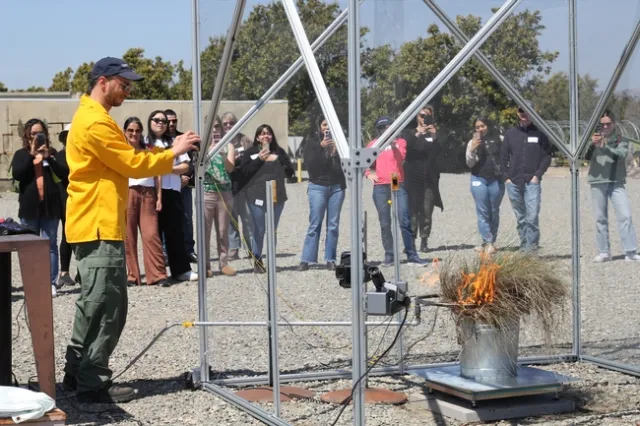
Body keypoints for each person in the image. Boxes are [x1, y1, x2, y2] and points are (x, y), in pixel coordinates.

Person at [62, 57, 200, 404]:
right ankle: (92, 384)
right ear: (104, 81)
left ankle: (76, 373)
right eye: (124, 84)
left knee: (91, 305)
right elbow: (132, 162)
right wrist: (174, 152)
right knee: (109, 306)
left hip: (92, 222)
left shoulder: (93, 117)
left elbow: (127, 159)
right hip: (98, 224)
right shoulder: (96, 122)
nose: (128, 90)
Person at [11, 118, 67, 297]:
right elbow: (18, 174)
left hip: (50, 207)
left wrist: (48, 158)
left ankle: (50, 282)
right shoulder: (21, 154)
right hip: (29, 208)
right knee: (29, 246)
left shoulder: (51, 153)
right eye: (33, 133)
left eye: (40, 133)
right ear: (27, 135)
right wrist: (32, 153)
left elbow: (63, 173)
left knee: (50, 244)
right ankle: (32, 282)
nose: (37, 136)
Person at [365, 116, 428, 266]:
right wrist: (368, 174)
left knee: (404, 219)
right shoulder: (373, 144)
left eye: (389, 127)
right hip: (380, 186)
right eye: (383, 128)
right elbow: (363, 163)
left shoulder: (400, 142)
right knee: (385, 222)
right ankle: (390, 255)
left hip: (396, 182)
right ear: (379, 130)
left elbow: (401, 159)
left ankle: (412, 255)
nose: (387, 130)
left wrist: (393, 146)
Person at [238, 124, 295, 273]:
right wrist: (259, 160)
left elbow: (290, 172)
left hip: (277, 196)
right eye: (262, 134)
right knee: (259, 229)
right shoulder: (250, 152)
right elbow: (244, 172)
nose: (265, 136)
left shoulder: (279, 151)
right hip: (256, 196)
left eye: (268, 133)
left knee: (272, 229)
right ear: (257, 137)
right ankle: (257, 259)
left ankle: (271, 260)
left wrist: (281, 162)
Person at [149, 110, 198, 282]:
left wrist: (169, 169)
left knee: (175, 232)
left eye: (165, 121)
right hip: (151, 191)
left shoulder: (175, 142)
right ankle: (157, 273)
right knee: (153, 234)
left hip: (173, 190)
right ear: (150, 122)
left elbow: (186, 166)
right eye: (157, 120)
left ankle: (181, 270)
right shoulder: (146, 142)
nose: (162, 123)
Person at [586, 110, 640, 262]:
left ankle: (630, 252)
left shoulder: (621, 139)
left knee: (625, 215)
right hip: (597, 180)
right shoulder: (593, 139)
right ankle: (604, 252)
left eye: (608, 124)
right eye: (602, 124)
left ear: (614, 124)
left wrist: (604, 147)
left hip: (616, 181)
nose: (605, 127)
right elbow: (584, 156)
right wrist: (591, 145)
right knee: (600, 218)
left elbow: (620, 154)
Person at [500, 102, 552, 253]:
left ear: (533, 113)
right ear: (518, 113)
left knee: (532, 216)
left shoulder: (540, 133)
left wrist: (538, 175)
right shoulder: (510, 134)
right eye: (521, 111)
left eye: (527, 111)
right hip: (514, 182)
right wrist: (506, 178)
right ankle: (524, 247)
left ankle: (532, 248)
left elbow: (547, 156)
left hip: (532, 181)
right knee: (521, 217)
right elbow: (503, 157)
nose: (524, 114)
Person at [123, 116, 168, 286]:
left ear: (142, 132)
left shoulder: (151, 149)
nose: (134, 133)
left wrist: (159, 198)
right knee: (128, 235)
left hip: (148, 193)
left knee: (151, 234)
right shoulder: (120, 150)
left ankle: (157, 274)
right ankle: (132, 275)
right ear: (125, 132)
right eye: (130, 130)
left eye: (137, 130)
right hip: (128, 193)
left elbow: (159, 174)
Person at [298, 117, 346, 271]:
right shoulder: (312, 142)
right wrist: (321, 147)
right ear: (319, 127)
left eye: (330, 125)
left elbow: (348, 164)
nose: (327, 128)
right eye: (325, 125)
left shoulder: (341, 142)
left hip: (336, 187)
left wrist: (335, 153)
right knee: (315, 223)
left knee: (333, 225)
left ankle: (330, 259)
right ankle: (306, 259)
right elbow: (310, 164)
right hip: (318, 186)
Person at [403, 105, 444, 253]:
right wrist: (418, 134)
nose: (424, 118)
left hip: (429, 179)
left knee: (426, 212)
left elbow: (440, 154)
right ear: (416, 117)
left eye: (427, 115)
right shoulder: (409, 133)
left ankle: (424, 241)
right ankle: (411, 241)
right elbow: (405, 151)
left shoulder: (435, 135)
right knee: (412, 211)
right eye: (421, 115)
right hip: (413, 179)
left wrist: (434, 137)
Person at [203, 116, 237, 277]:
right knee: (205, 230)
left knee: (223, 230)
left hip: (224, 192)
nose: (215, 130)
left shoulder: (228, 145)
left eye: (217, 127)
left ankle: (223, 263)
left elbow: (230, 168)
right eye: (212, 126)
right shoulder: (202, 146)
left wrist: (223, 154)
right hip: (207, 192)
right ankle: (205, 265)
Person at [465, 116, 504, 254]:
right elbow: (469, 163)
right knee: (482, 212)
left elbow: (506, 157)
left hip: (496, 180)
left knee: (494, 211)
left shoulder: (499, 139)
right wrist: (472, 150)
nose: (480, 129)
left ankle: (490, 241)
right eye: (477, 127)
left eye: (483, 126)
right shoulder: (472, 142)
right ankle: (487, 241)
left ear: (488, 125)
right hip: (478, 179)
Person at [165, 109, 197, 263]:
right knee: (166, 219)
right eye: (168, 121)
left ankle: (189, 250)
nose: (171, 124)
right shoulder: (158, 140)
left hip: (183, 187)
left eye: (174, 121)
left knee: (186, 219)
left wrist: (187, 176)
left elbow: (192, 161)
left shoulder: (184, 138)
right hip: (166, 186)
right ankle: (166, 253)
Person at [222, 111, 254, 259]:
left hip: (245, 186)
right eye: (225, 123)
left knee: (248, 218)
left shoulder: (245, 140)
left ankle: (251, 248)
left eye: (231, 123)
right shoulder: (220, 142)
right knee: (230, 218)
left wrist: (239, 160)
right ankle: (233, 248)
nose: (229, 126)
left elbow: (254, 161)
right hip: (227, 186)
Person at [56, 124, 75, 288]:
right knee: (67, 233)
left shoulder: (82, 154)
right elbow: (64, 173)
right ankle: (64, 271)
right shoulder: (61, 156)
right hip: (66, 199)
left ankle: (83, 271)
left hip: (82, 199)